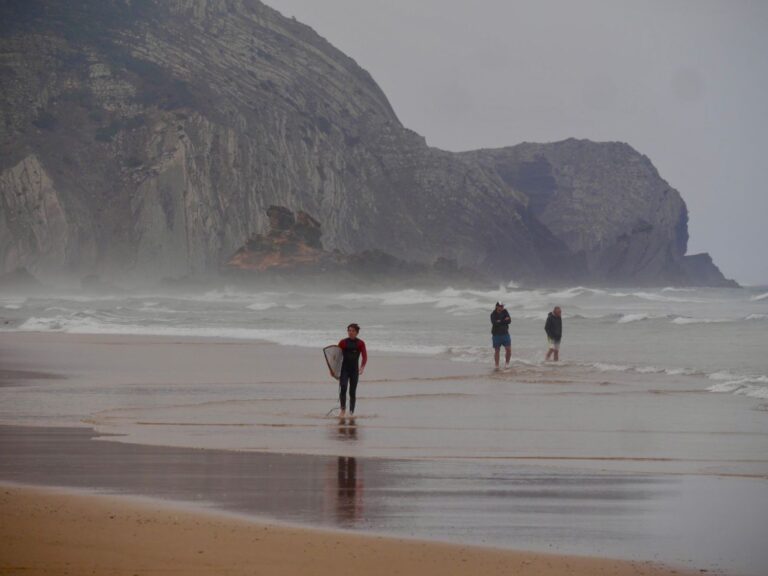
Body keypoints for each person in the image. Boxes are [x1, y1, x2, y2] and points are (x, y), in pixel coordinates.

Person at [337, 323, 367, 418]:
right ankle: (342, 410)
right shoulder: (343, 342)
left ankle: (351, 413)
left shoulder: (360, 343)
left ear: (357, 332)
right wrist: (333, 369)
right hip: (344, 369)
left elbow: (364, 356)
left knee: (352, 392)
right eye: (349, 330)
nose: (351, 332)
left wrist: (362, 367)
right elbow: (336, 356)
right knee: (343, 386)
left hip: (354, 370)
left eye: (353, 331)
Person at [490, 302, 511, 370]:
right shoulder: (493, 314)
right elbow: (494, 323)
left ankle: (507, 364)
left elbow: (509, 321)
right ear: (497, 306)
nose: (502, 307)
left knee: (508, 349)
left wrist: (500, 321)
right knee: (497, 350)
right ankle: (497, 365)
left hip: (505, 334)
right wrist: (504, 321)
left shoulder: (505, 312)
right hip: (496, 335)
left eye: (502, 306)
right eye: (500, 306)